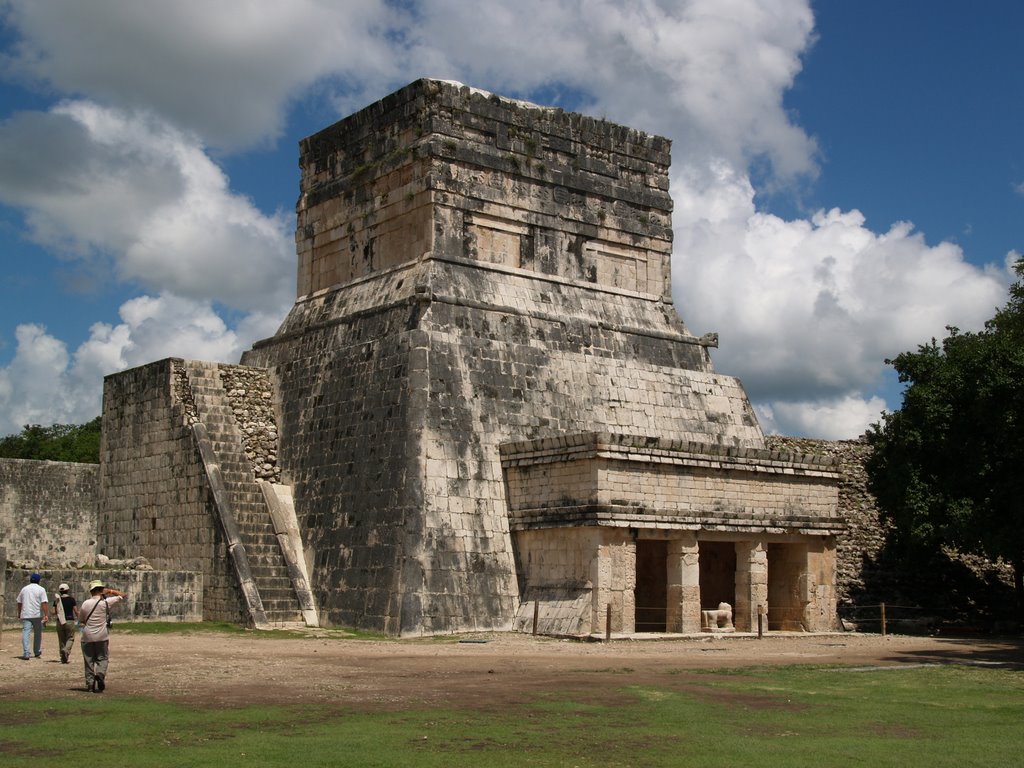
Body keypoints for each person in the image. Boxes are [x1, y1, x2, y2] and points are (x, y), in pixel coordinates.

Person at [79, 579, 127, 693]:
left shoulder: (86, 603)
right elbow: (123, 595)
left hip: (87, 636)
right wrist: (109, 591)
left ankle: (90, 684)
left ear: (91, 591)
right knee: (103, 658)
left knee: (89, 661)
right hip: (102, 636)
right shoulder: (106, 603)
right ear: (101, 590)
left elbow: (81, 620)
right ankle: (100, 674)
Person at [16, 573, 49, 660]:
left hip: (26, 614)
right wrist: (46, 614)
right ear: (39, 581)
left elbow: (19, 602)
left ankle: (26, 652)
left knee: (26, 633)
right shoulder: (41, 589)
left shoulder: (24, 589)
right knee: (38, 634)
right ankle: (37, 651)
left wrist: (19, 613)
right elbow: (44, 603)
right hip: (36, 614)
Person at [53, 583, 79, 664]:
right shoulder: (71, 599)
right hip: (69, 621)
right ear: (67, 590)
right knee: (70, 638)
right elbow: (76, 611)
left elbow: (54, 612)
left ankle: (63, 657)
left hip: (60, 621)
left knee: (61, 640)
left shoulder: (57, 600)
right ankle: (66, 650)